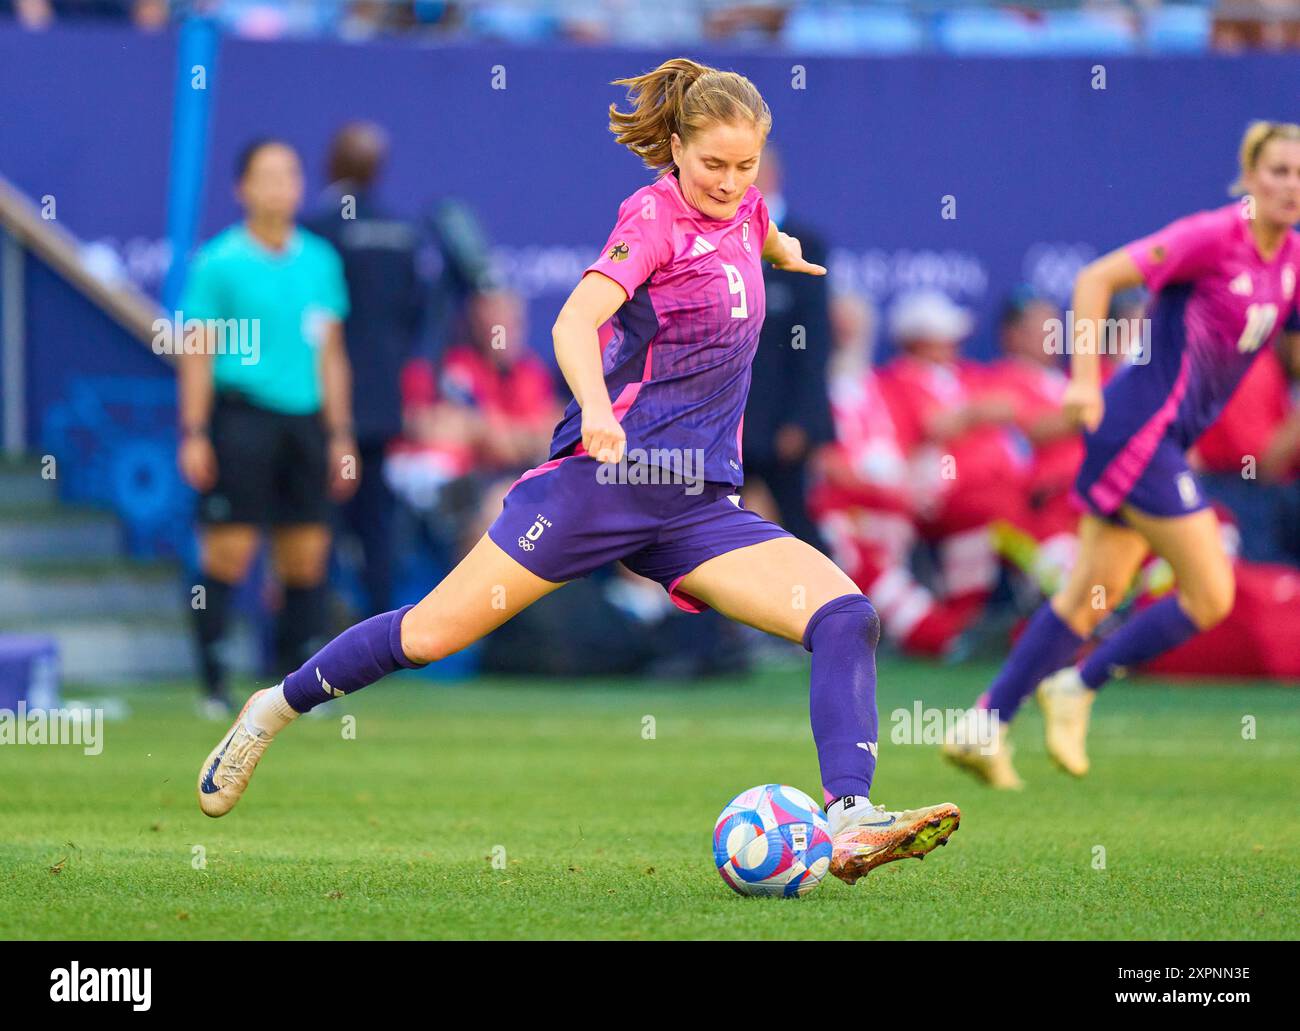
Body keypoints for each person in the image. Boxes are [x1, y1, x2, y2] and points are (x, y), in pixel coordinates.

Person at [195, 58, 960, 886]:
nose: (729, 183)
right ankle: (272, 706)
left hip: (697, 506)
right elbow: (574, 319)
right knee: (429, 632)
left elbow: (757, 230)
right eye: (711, 166)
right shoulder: (652, 216)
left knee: (846, 615)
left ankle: (847, 818)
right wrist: (595, 407)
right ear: (674, 147)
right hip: (603, 483)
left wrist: (782, 247)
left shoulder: (747, 208)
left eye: (744, 168)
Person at [944, 120, 1300, 789]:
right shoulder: (1212, 236)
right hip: (1139, 432)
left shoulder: (1292, 262)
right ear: (1249, 177)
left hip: (1160, 442)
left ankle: (984, 723)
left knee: (1088, 593)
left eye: (1299, 174)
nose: (1289, 185)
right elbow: (1097, 278)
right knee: (1212, 591)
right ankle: (1079, 684)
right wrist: (1083, 379)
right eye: (1277, 170)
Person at [179, 139, 357, 717]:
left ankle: (295, 690)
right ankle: (212, 683)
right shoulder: (218, 262)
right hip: (241, 419)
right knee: (228, 553)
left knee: (304, 556)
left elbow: (332, 355)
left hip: (304, 424)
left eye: (290, 173)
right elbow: (198, 352)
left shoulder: (320, 261)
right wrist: (195, 431)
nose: (281, 186)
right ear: (243, 189)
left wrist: (340, 435)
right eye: (268, 175)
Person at [304, 122, 422, 616]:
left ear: (330, 165)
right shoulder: (401, 234)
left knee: (314, 520)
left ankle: (304, 635)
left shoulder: (315, 231)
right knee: (374, 523)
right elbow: (415, 313)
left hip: (322, 402)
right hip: (379, 405)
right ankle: (381, 642)